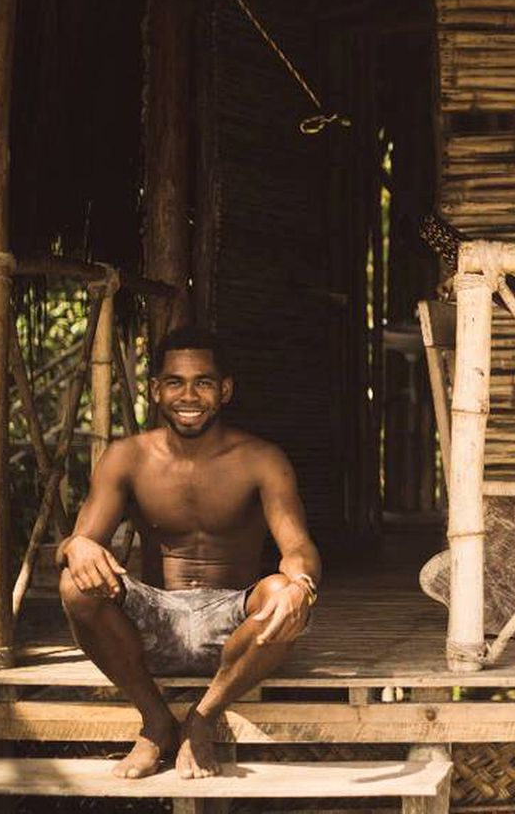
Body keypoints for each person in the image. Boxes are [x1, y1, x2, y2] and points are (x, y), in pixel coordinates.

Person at [57, 326, 321, 780]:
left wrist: (301, 585)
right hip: (151, 620)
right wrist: (76, 546)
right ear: (156, 389)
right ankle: (156, 721)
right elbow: (78, 544)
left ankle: (202, 717)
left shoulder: (261, 459)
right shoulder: (128, 457)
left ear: (225, 390)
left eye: (203, 382)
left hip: (236, 625)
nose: (189, 395)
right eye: (175, 382)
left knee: (283, 591)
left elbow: (296, 545)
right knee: (73, 584)